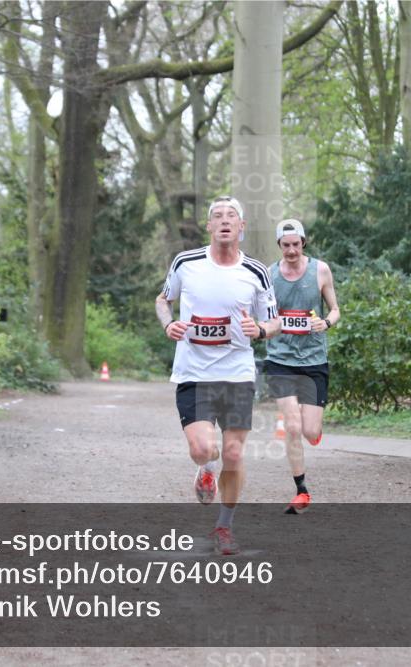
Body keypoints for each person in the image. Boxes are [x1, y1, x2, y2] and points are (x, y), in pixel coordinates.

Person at [155, 195, 280, 555]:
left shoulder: (256, 272)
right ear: (209, 226)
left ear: (241, 227)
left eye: (232, 216)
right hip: (193, 371)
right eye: (217, 216)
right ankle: (205, 467)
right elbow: (163, 300)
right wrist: (169, 325)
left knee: (235, 455)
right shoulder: (186, 263)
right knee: (202, 448)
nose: (224, 220)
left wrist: (259, 329)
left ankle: (223, 528)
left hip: (237, 372)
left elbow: (275, 322)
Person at [264, 219, 340, 515]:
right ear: (279, 246)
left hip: (314, 361)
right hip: (280, 359)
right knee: (292, 426)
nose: (292, 250)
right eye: (286, 245)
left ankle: (315, 429)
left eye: (296, 244)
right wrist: (266, 328)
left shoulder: (320, 270)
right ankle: (302, 491)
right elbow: (265, 316)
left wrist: (326, 322)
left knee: (310, 431)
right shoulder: (269, 276)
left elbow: (335, 309)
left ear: (303, 242)